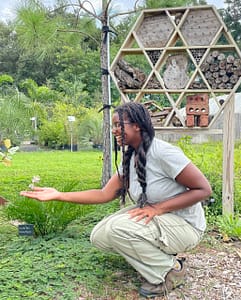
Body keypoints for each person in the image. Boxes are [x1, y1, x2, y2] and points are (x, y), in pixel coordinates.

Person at [20, 102, 212, 298]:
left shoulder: (163, 152)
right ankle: (157, 255)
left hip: (185, 225)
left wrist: (158, 209)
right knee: (100, 235)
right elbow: (104, 194)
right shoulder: (131, 156)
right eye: (113, 126)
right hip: (163, 220)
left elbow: (203, 189)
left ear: (137, 125)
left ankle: (170, 271)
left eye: (119, 125)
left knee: (118, 229)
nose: (114, 130)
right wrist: (59, 195)